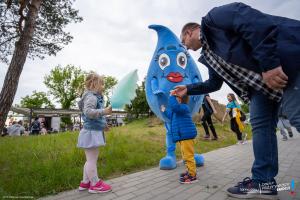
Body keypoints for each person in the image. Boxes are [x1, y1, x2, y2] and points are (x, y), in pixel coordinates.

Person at [175, 2, 300, 199]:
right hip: (259, 88)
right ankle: (263, 182)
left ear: (190, 32)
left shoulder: (213, 19)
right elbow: (214, 84)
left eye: (184, 42)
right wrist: (188, 88)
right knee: (260, 126)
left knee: (297, 116)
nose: (187, 49)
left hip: (284, 63)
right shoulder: (209, 56)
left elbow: (253, 22)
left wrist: (269, 64)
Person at [77, 72, 112, 193]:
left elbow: (96, 117)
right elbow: (88, 112)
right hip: (91, 132)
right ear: (93, 84)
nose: (103, 87)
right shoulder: (91, 96)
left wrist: (104, 125)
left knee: (89, 160)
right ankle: (95, 184)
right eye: (101, 84)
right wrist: (104, 111)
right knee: (92, 160)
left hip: (92, 131)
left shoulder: (91, 96)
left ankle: (85, 182)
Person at [161, 90, 198, 184]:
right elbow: (171, 115)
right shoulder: (178, 110)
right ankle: (189, 171)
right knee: (185, 156)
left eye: (176, 98)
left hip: (186, 136)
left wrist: (171, 95)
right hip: (183, 137)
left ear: (180, 99)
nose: (175, 100)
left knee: (188, 156)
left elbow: (174, 107)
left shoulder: (184, 108)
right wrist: (164, 110)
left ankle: (193, 176)